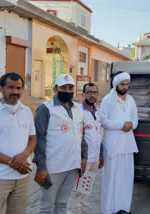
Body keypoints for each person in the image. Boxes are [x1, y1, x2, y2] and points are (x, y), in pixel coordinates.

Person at [0, 73, 36, 214]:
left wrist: (24, 156)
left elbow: (33, 138)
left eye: (18, 88)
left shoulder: (26, 111)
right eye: (10, 87)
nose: (15, 92)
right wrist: (13, 162)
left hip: (22, 177)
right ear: (1, 88)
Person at [33, 74, 87, 214]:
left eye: (70, 88)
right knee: (46, 206)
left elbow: (82, 134)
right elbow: (39, 139)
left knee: (63, 203)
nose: (67, 91)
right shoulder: (45, 108)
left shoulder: (78, 109)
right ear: (55, 89)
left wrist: (84, 157)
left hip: (73, 167)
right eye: (63, 87)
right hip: (51, 169)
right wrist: (41, 167)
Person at [100, 72, 138, 214]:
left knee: (126, 179)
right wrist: (121, 124)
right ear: (116, 84)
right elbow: (103, 121)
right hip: (113, 145)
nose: (124, 87)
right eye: (122, 84)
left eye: (127, 84)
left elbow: (135, 119)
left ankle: (124, 208)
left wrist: (131, 125)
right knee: (111, 179)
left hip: (127, 145)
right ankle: (109, 209)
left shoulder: (131, 100)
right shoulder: (107, 99)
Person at [68, 83, 104, 214]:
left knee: (86, 190)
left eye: (94, 92)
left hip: (94, 160)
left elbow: (99, 135)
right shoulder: (78, 111)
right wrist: (82, 157)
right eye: (89, 92)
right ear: (83, 94)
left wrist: (101, 154)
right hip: (82, 160)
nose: (92, 95)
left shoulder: (98, 112)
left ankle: (83, 212)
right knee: (76, 191)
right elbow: (76, 137)